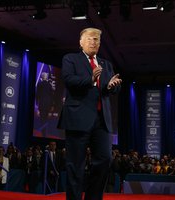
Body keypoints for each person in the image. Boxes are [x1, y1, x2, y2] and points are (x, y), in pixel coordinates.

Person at [57, 27, 122, 200]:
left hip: (102, 122)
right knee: (75, 165)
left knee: (105, 160)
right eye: (91, 39)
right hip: (78, 119)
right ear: (81, 42)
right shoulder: (71, 59)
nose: (94, 42)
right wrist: (91, 79)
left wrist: (112, 86)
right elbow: (69, 80)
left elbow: (112, 86)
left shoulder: (106, 64)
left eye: (97, 40)